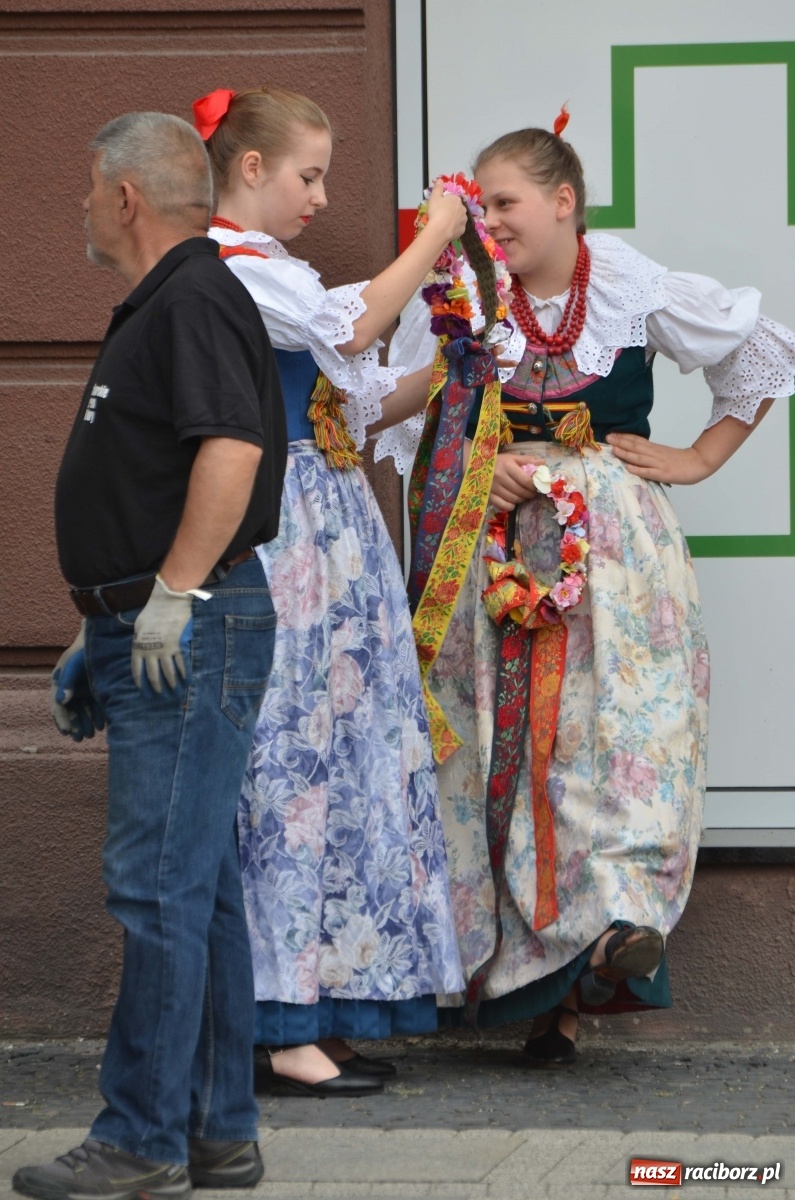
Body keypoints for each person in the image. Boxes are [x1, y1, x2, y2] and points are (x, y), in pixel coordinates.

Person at [385, 117, 795, 1066]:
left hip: (610, 548)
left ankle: (606, 941)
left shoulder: (626, 284)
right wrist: (476, 469)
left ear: (563, 202)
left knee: (612, 739)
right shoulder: (461, 294)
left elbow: (761, 351)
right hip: (491, 548)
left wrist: (695, 457)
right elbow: (406, 419)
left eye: (503, 204)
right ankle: (519, 986)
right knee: (501, 743)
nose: (487, 221)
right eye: (479, 205)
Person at [13, 112, 287, 1199]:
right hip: (159, 628)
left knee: (156, 891)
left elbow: (232, 447)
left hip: (191, 629)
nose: (81, 204)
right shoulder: (172, 302)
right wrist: (103, 624)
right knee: (200, 888)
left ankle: (140, 1140)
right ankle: (217, 1130)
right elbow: (152, 480)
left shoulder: (192, 294)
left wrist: (168, 598)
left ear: (127, 196)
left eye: (89, 187)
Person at [191, 85, 466, 1096]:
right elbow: (349, 334)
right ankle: (279, 1022)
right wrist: (435, 234)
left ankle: (329, 1004)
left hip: (329, 526)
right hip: (283, 528)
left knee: (344, 763)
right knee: (289, 766)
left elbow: (355, 387)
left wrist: (453, 364)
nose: (319, 195)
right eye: (308, 174)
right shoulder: (230, 266)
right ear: (250, 167)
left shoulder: (279, 274)